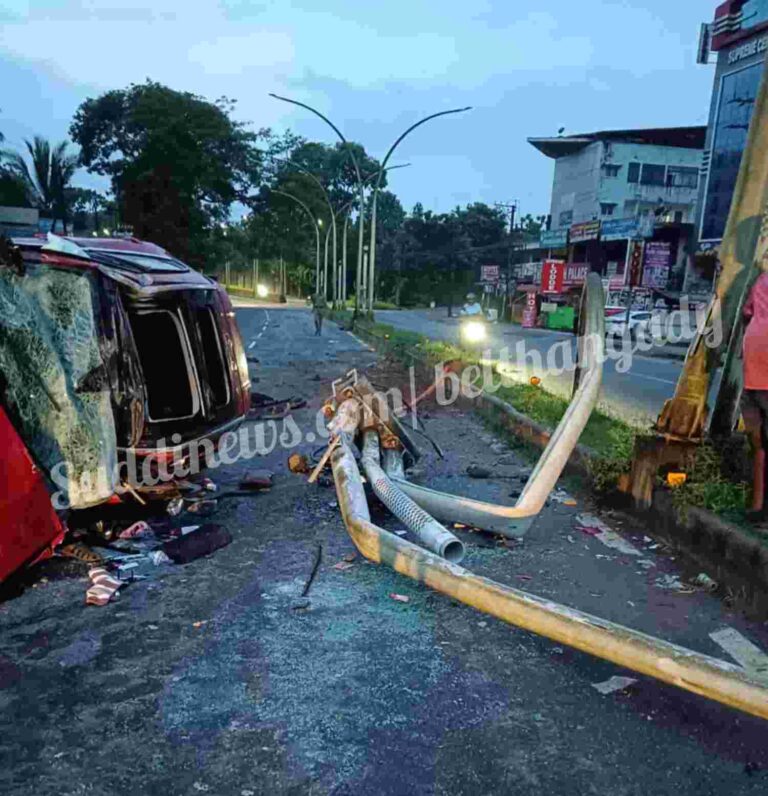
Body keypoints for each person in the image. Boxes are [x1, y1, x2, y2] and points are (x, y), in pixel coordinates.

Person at [741, 272, 768, 521]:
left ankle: (757, 506)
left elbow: (747, 313)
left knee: (759, 444)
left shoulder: (761, 279)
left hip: (753, 361)